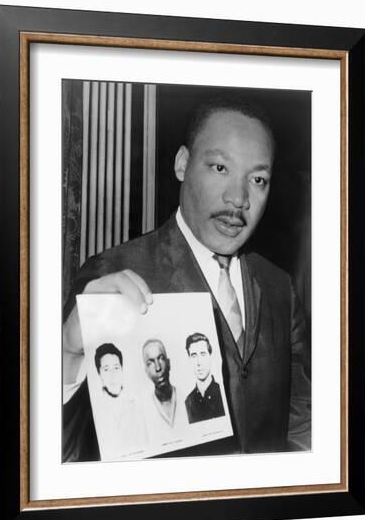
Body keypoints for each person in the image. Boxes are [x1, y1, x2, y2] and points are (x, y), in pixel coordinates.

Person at [62, 95, 311, 460]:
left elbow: (301, 423)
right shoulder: (111, 274)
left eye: (258, 179)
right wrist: (67, 354)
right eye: (219, 168)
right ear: (182, 163)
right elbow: (58, 455)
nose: (238, 198)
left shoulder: (279, 287)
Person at [89, 343, 147, 460]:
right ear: (99, 373)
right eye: (106, 369)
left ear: (122, 369)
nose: (112, 375)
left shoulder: (137, 405)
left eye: (116, 368)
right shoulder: (93, 411)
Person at [141, 339, 188, 444]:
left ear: (169, 363)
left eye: (161, 358)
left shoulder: (187, 398)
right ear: (146, 371)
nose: (158, 367)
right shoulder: (143, 412)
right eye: (151, 362)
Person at [184, 333, 225, 424]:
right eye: (194, 355)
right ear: (189, 359)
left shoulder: (223, 393)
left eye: (203, 354)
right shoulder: (188, 402)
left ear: (210, 356)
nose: (199, 362)